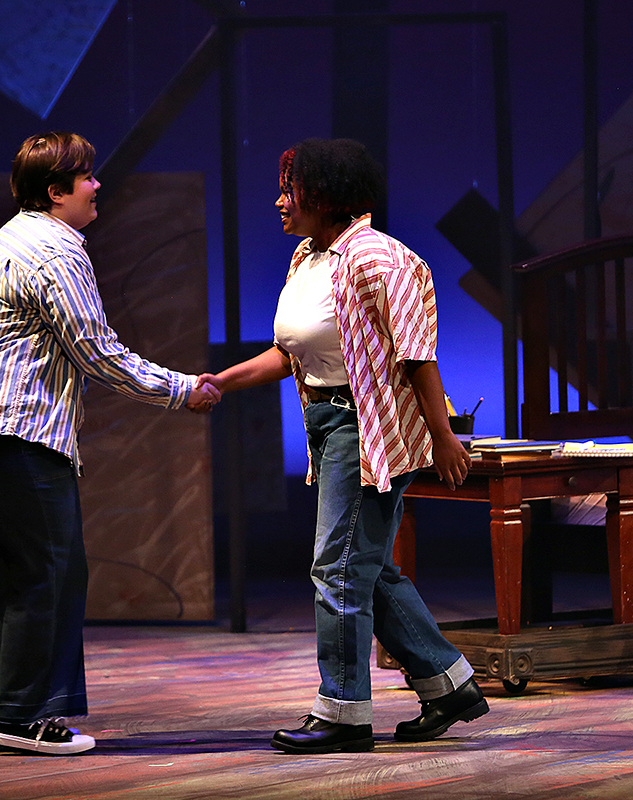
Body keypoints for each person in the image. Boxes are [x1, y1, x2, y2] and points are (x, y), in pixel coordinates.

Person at [0, 131, 220, 756]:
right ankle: (26, 716)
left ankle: (4, 711)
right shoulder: (56, 251)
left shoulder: (4, 240)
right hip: (11, 427)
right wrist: (181, 389)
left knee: (3, 573)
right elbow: (96, 351)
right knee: (49, 573)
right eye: (86, 176)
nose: (97, 185)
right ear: (56, 191)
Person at [205, 137, 489, 754]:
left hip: (370, 427)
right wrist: (223, 382)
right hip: (328, 423)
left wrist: (444, 437)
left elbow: (417, 355)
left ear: (324, 195)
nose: (280, 202)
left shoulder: (383, 260)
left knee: (337, 568)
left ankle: (343, 712)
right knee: (367, 568)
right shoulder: (308, 258)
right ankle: (450, 687)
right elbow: (290, 352)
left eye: (291, 190)